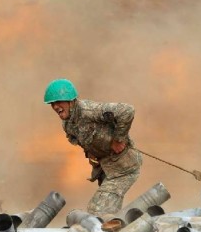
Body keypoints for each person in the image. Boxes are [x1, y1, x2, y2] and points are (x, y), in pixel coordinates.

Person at [43, 78, 142, 216]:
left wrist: (119, 139)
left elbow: (127, 111)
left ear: (71, 101)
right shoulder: (68, 124)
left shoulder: (89, 110)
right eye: (52, 104)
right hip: (106, 169)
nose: (55, 107)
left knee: (98, 211)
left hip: (123, 167)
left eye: (59, 102)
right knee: (109, 213)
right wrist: (92, 154)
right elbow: (85, 140)